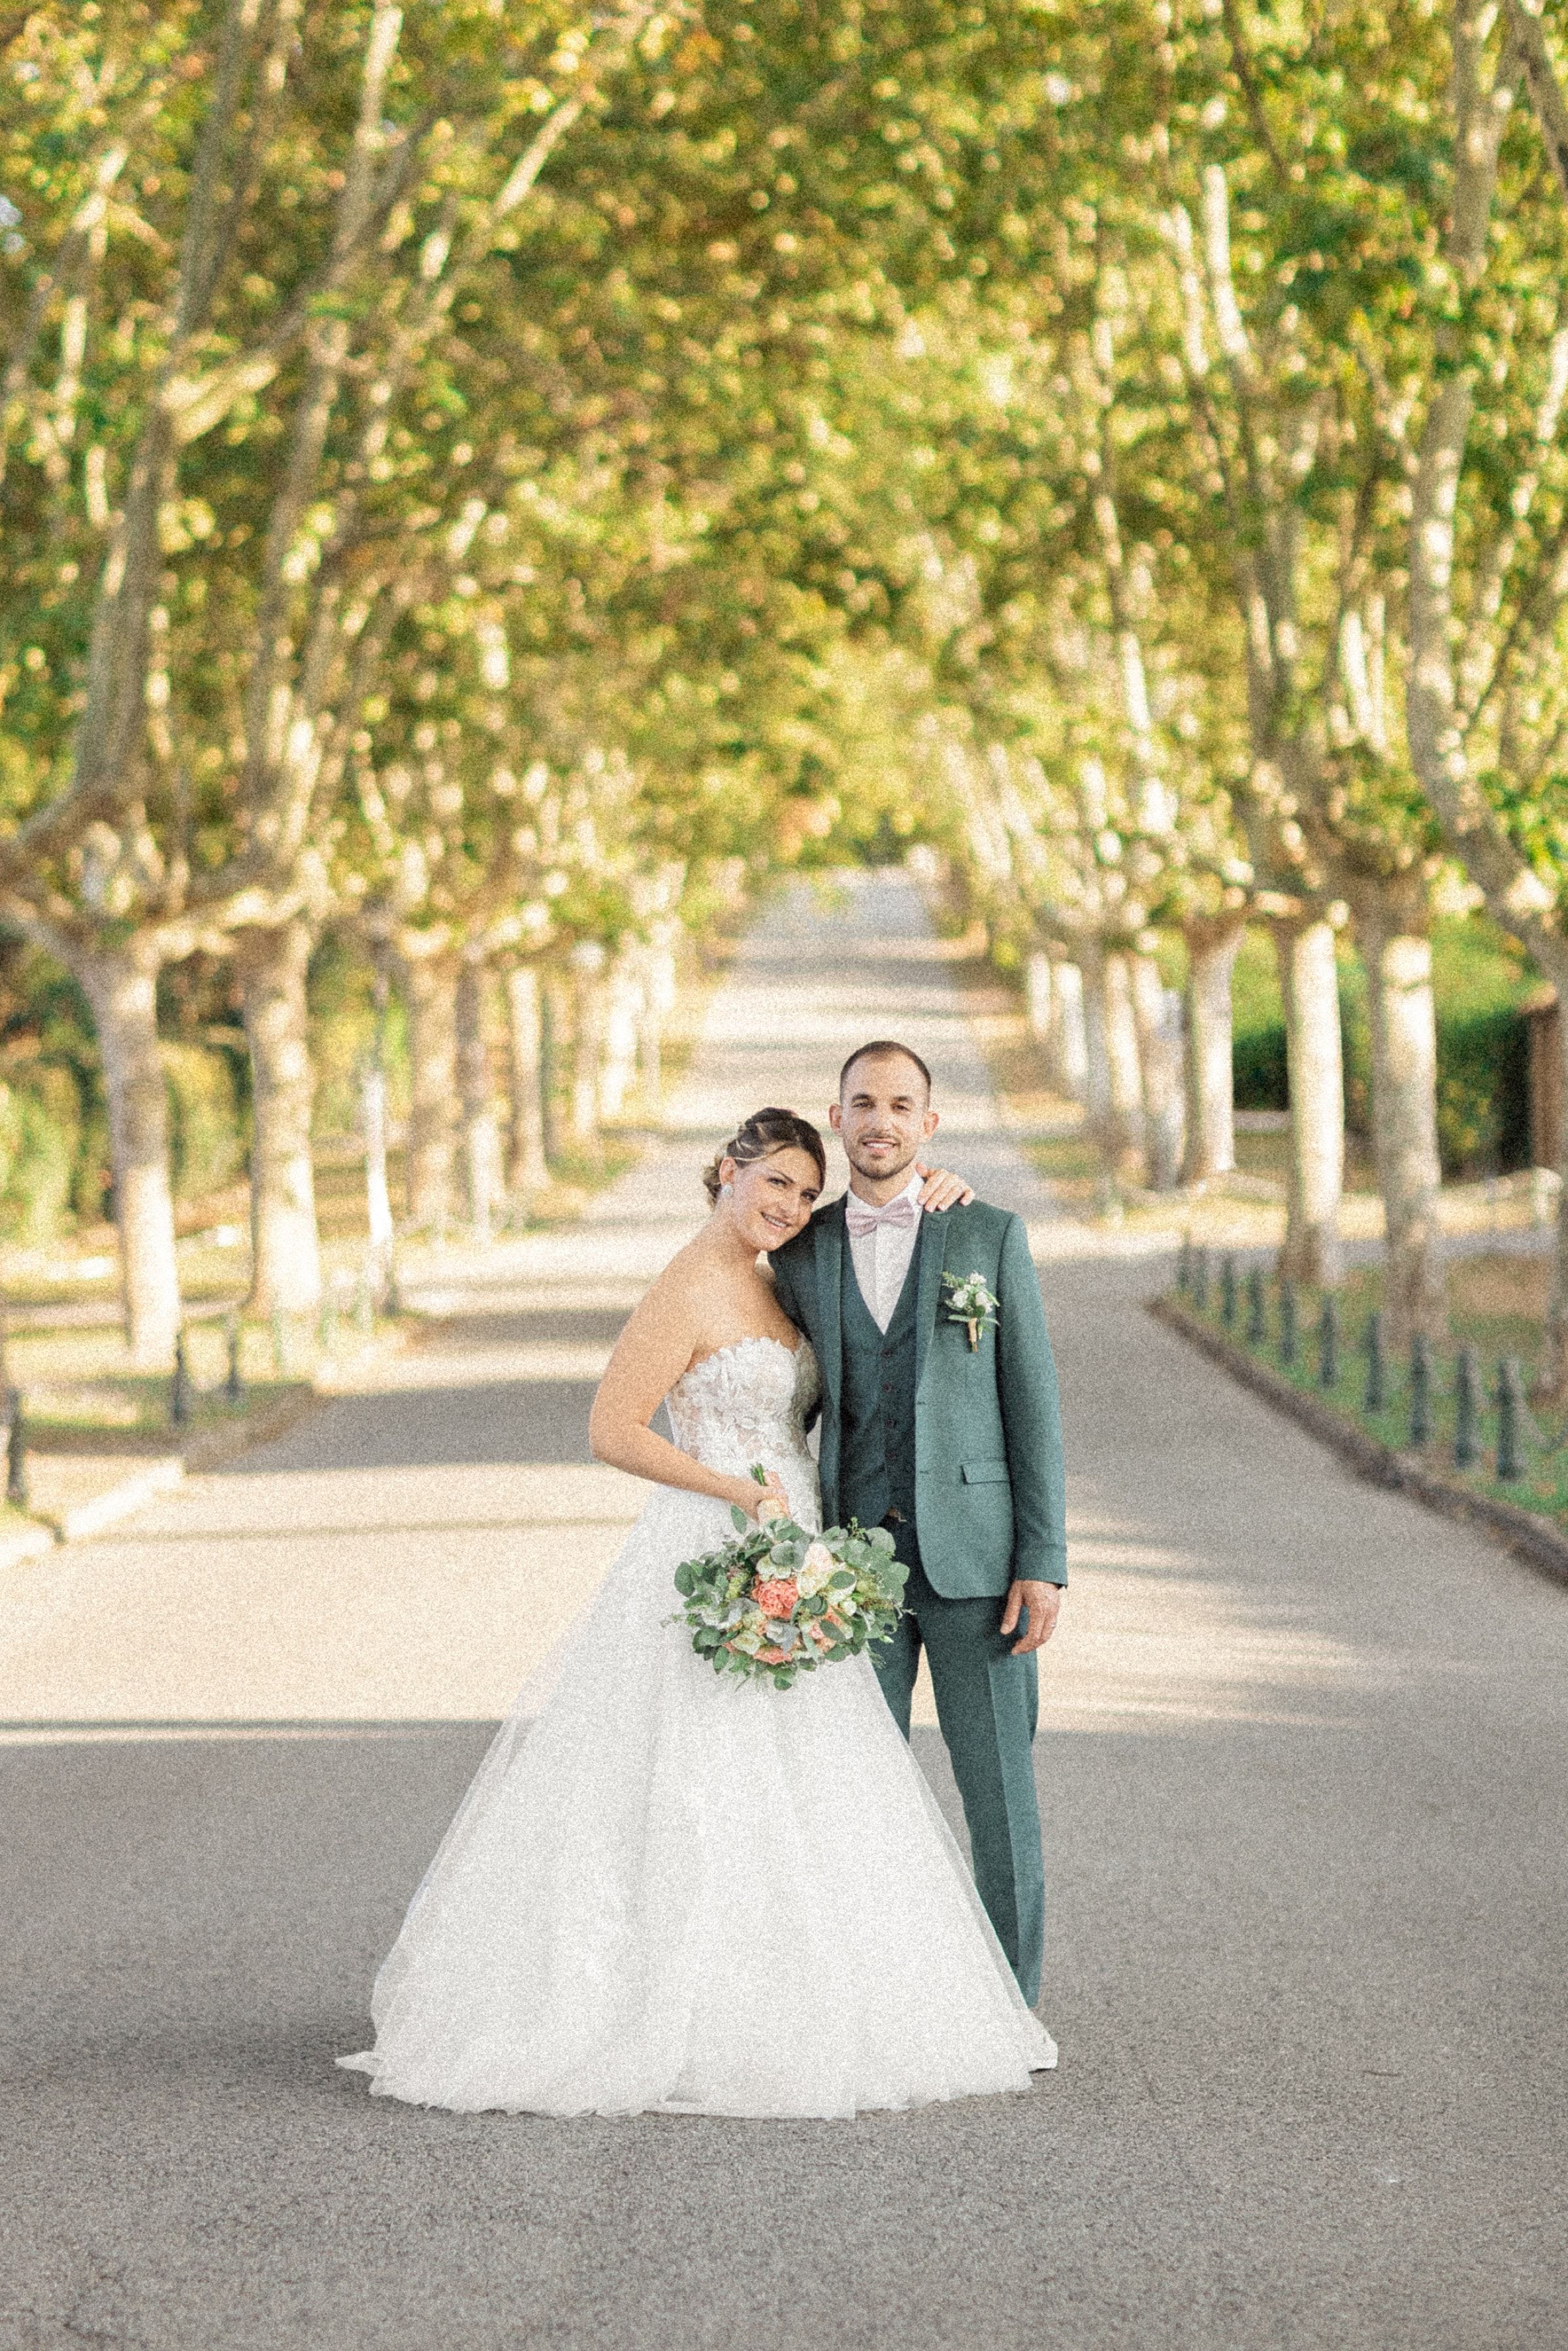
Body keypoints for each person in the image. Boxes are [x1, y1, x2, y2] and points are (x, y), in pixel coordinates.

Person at [340, 1106, 1055, 2119]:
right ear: (727, 1169)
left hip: (797, 1543)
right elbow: (611, 1427)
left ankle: (808, 1985)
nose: (791, 1204)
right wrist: (736, 1492)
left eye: (807, 1192)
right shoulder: (686, 1283)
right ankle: (671, 1997)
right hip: (714, 1542)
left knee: (813, 1781)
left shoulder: (783, 1273)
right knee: (696, 1774)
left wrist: (945, 1192)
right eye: (774, 1182)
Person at [768, 1041, 1066, 2005]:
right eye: (863, 1102)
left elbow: (1034, 1406)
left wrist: (1043, 1559)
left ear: (929, 1124)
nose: (881, 1120)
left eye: (901, 1104)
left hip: (979, 1565)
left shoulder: (988, 1236)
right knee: (855, 1792)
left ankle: (1013, 2007)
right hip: (854, 1568)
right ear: (837, 1115)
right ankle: (873, 1999)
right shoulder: (801, 1252)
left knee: (1001, 1800)